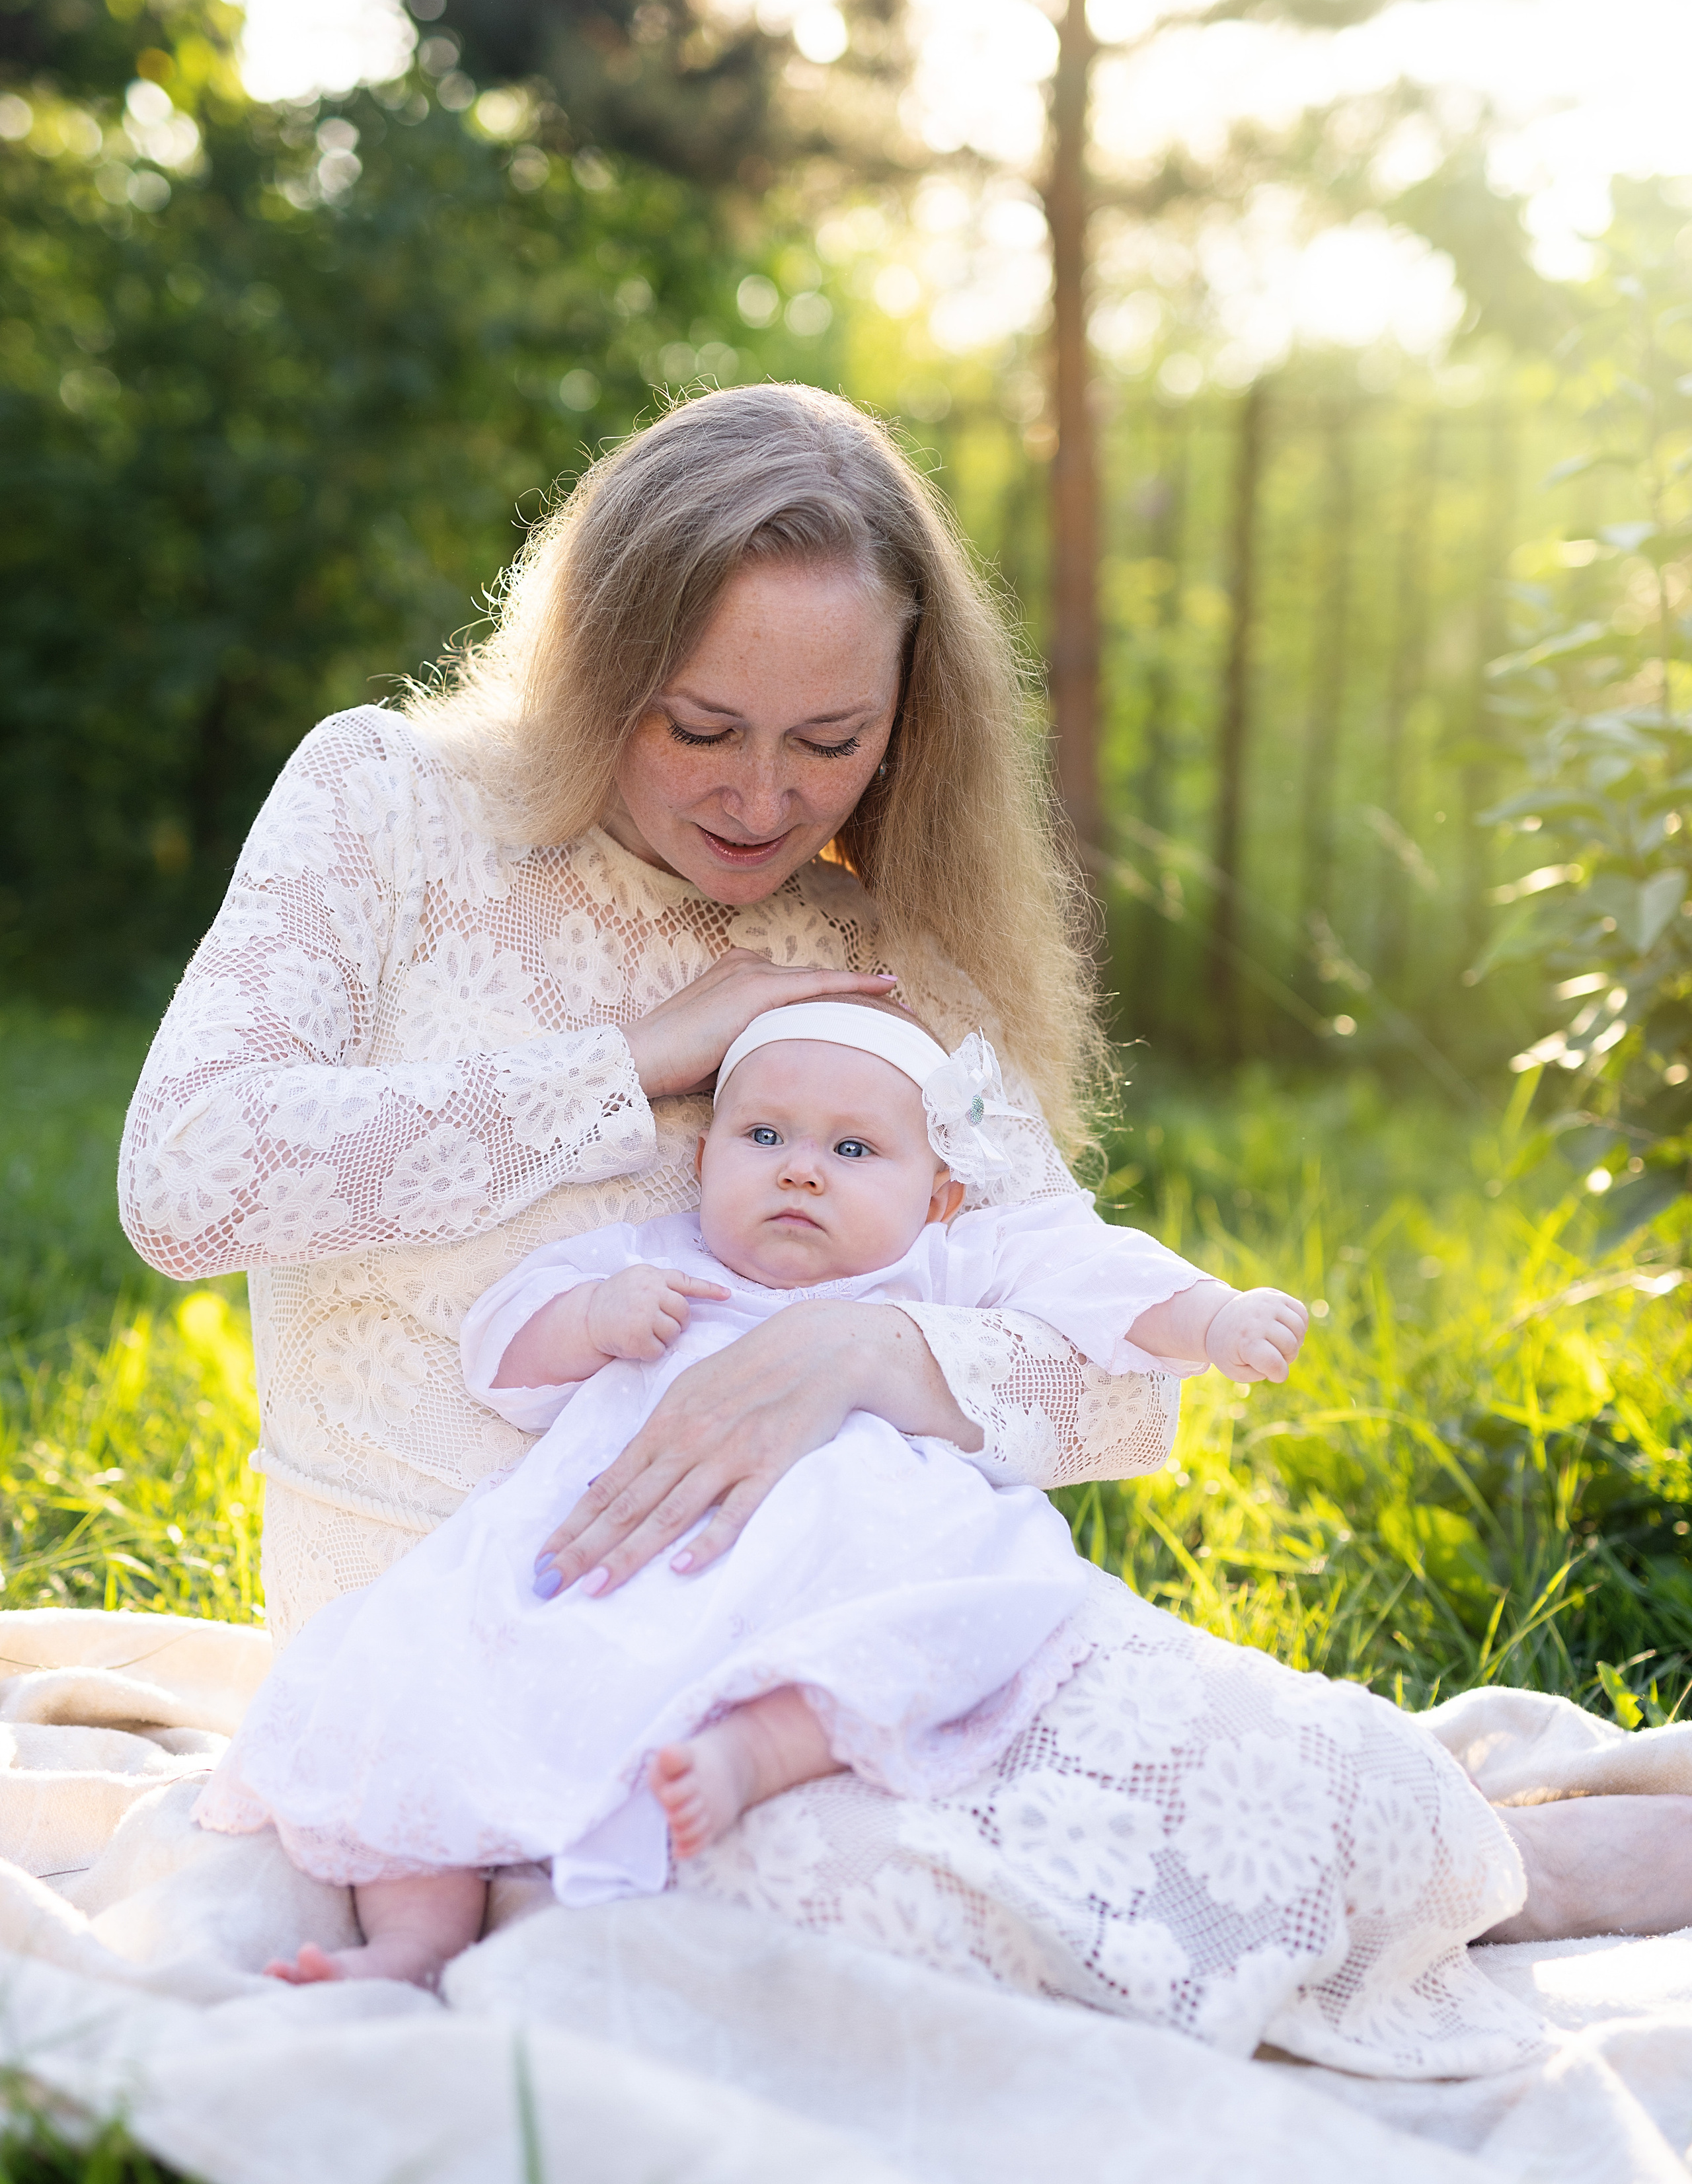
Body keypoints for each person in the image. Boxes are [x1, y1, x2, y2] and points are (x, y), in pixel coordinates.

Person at [121, 383, 1692, 2082]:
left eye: (829, 738)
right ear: (591, 665)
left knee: (1227, 1767)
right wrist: (633, 1061)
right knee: (879, 1920)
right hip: (455, 1661)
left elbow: (1099, 1372)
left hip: (812, 1638)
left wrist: (869, 1348)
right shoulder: (389, 805)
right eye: (698, 724)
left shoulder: (870, 942)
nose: (759, 797)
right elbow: (186, 1180)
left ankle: (1482, 1858)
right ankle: (1435, 1865)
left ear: (904, 718)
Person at [197, 997, 1309, 1989]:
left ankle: (748, 1756)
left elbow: (1095, 1274)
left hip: (840, 1545)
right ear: (708, 1156)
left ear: (939, 1194)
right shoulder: (659, 1258)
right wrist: (592, 1319)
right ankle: (414, 1936)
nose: (801, 1168)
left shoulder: (934, 1264)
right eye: (763, 1135)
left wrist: (1212, 1318)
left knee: (901, 1629)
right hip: (623, 1555)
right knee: (428, 1682)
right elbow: (501, 1347)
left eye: (855, 1148)